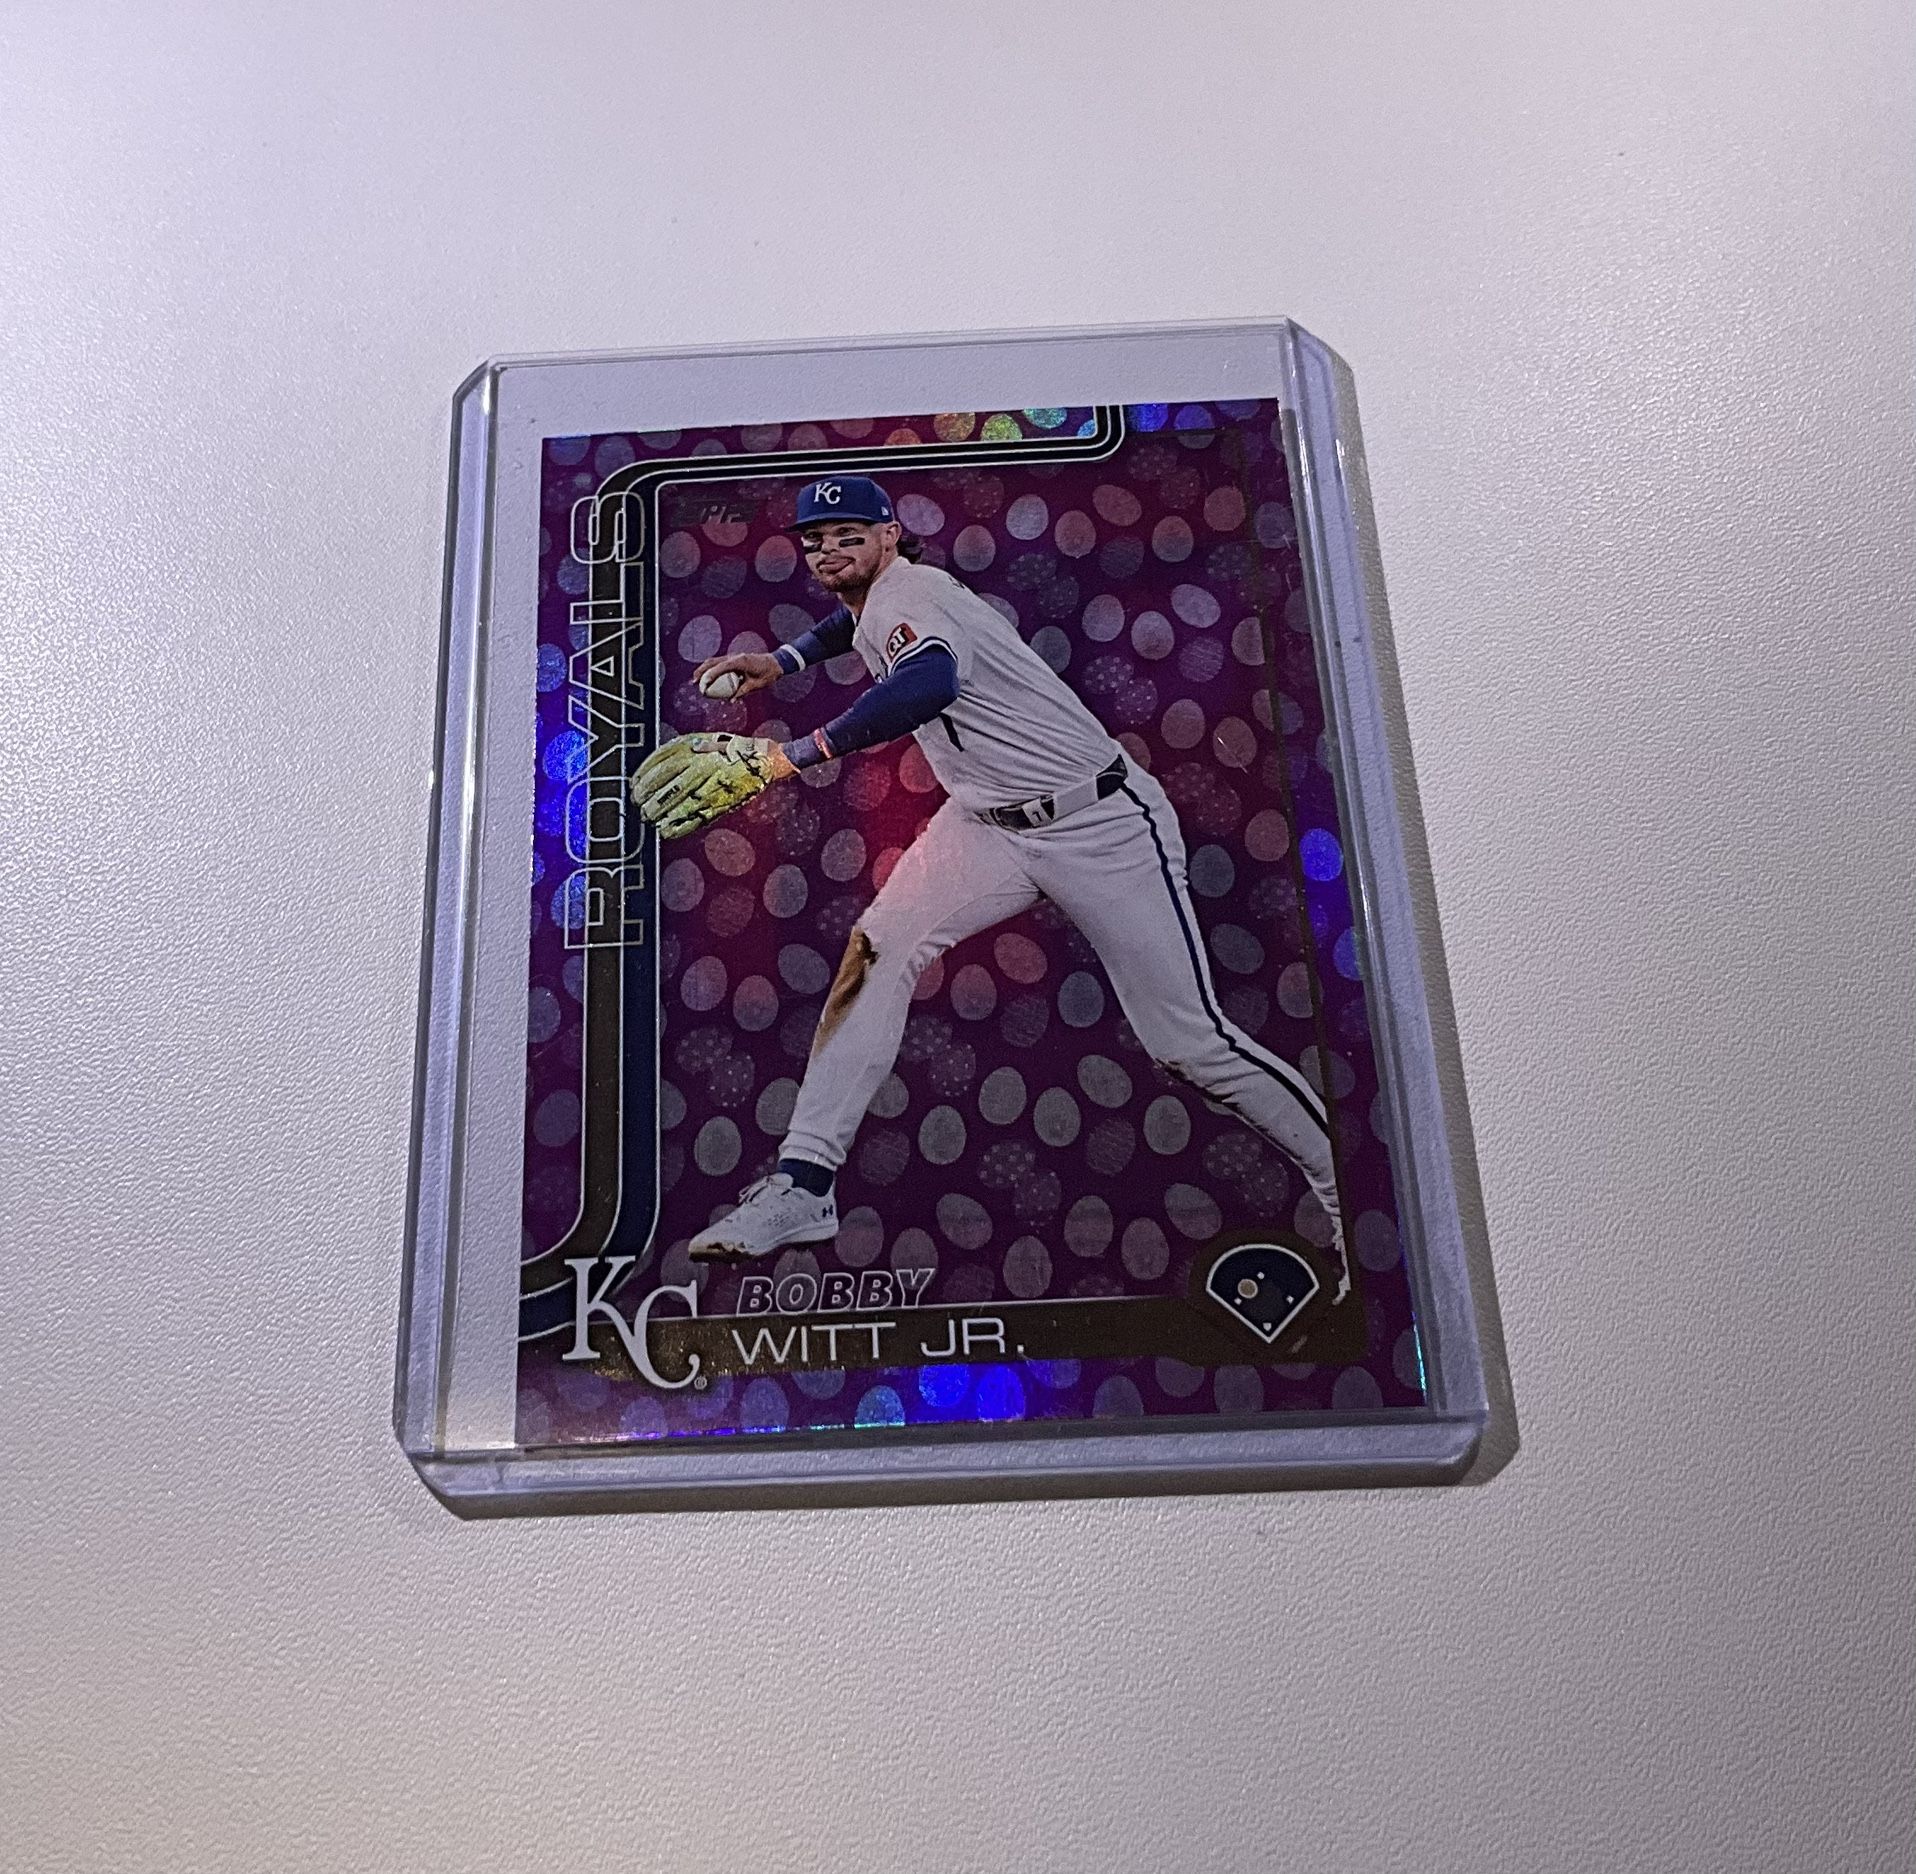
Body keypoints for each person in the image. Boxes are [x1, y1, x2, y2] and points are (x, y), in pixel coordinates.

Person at [638, 474, 1343, 1269]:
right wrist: (784, 658)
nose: (830, 551)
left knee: (1188, 1043)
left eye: (848, 535)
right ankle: (804, 1184)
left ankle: (1344, 1192)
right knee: (874, 952)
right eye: (816, 541)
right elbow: (856, 624)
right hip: (983, 823)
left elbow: (927, 682)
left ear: (890, 534)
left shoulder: (917, 598)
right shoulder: (884, 595)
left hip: (1099, 825)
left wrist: (788, 756)